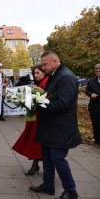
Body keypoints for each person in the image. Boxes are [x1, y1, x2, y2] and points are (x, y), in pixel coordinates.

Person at [29, 51, 81, 199]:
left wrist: (38, 103)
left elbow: (62, 104)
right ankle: (48, 185)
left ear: (55, 61)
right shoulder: (56, 75)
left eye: (45, 64)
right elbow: (51, 95)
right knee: (46, 158)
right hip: (50, 127)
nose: (43, 68)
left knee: (58, 159)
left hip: (60, 128)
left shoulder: (66, 77)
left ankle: (71, 191)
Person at [12, 65, 49, 175]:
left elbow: (46, 99)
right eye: (35, 73)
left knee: (38, 142)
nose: (36, 75)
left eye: (38, 73)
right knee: (34, 141)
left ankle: (40, 166)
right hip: (35, 117)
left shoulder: (46, 83)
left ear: (44, 72)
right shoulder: (39, 84)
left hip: (42, 119)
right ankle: (36, 165)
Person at [85, 63, 100, 146]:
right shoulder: (91, 80)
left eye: (99, 71)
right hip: (94, 107)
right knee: (95, 125)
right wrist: (91, 94)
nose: (98, 73)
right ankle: (97, 141)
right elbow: (87, 91)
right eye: (97, 71)